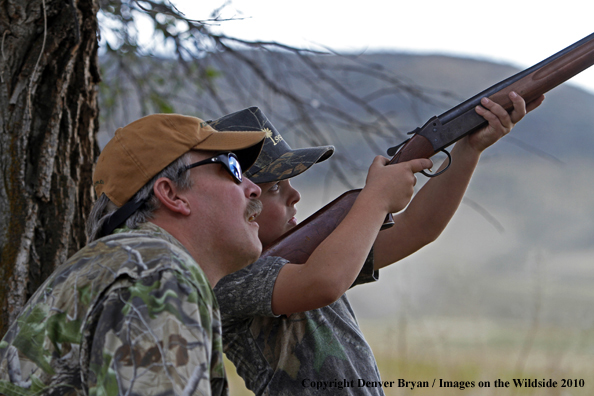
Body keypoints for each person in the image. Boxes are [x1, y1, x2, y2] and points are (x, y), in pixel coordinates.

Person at [211, 95, 543, 395]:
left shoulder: (312, 254)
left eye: (290, 183)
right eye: (274, 188)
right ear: (236, 197)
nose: (295, 195)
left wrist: (469, 148)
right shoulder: (227, 277)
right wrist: (375, 199)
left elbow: (417, 229)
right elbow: (323, 282)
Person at [0, 113, 268, 396]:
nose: (254, 189)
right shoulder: (156, 275)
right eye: (232, 167)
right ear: (171, 194)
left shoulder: (126, 265)